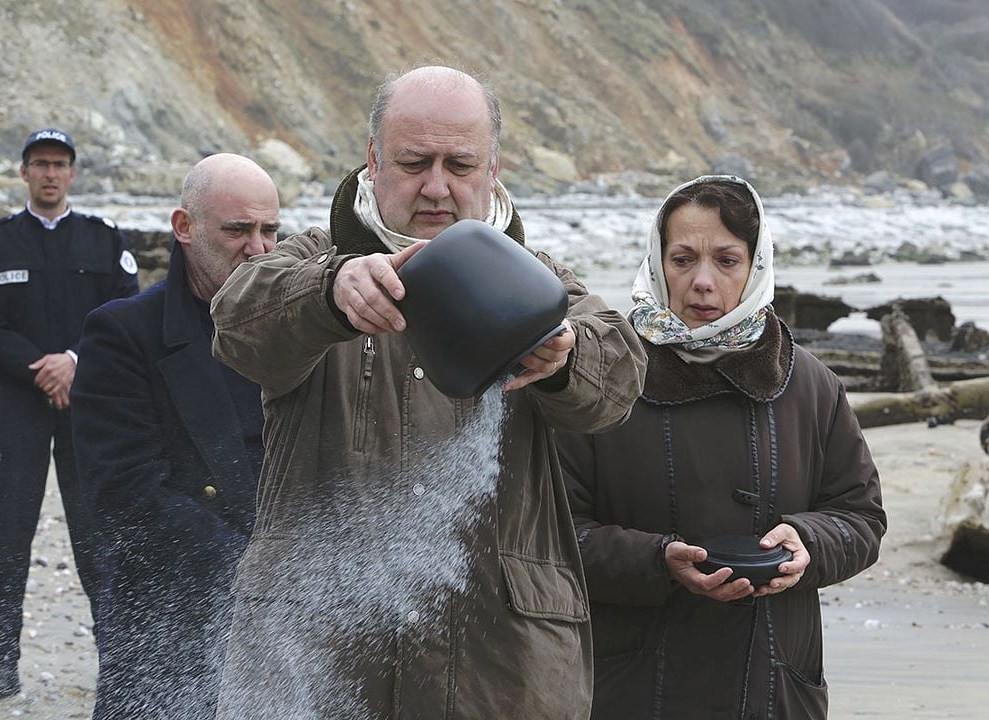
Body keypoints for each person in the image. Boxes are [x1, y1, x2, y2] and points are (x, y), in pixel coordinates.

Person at [208, 65, 648, 719]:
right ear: (373, 160)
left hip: (500, 669)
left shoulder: (539, 283)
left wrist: (565, 358)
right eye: (415, 162)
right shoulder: (309, 261)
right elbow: (237, 321)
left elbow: (618, 381)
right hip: (315, 653)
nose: (437, 186)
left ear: (493, 169)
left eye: (459, 164)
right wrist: (329, 292)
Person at [556, 175, 888, 719]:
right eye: (682, 259)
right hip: (631, 686)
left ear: (757, 266)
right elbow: (557, 533)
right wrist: (658, 561)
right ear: (656, 261)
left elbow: (860, 517)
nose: (703, 282)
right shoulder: (602, 378)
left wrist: (808, 542)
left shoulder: (810, 384)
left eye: (727, 261)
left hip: (774, 686)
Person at [68, 154, 279, 719]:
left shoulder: (297, 332)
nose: (258, 248)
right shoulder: (122, 332)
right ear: (184, 228)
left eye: (269, 230)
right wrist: (251, 571)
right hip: (168, 614)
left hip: (285, 624)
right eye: (237, 230)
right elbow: (123, 491)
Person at [0, 128, 140, 702]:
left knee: (98, 534)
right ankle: (0, 663)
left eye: (59, 164)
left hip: (86, 404)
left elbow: (126, 311)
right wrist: (40, 367)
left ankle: (117, 658)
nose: (49, 173)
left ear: (72, 174)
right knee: (9, 533)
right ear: (24, 173)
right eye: (39, 164)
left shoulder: (102, 238)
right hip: (19, 404)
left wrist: (72, 361)